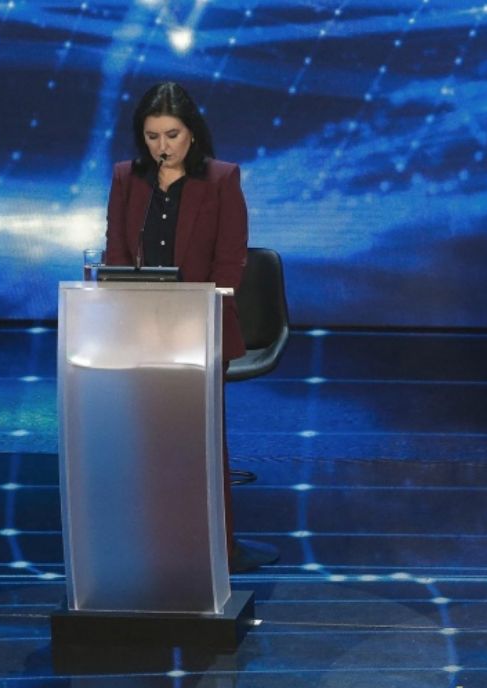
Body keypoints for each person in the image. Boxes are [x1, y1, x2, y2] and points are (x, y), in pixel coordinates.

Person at [103, 82, 271, 571]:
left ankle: (216, 548)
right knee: (144, 439)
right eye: (152, 136)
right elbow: (116, 252)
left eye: (172, 135)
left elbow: (230, 262)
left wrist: (199, 314)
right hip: (139, 329)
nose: (163, 147)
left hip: (199, 328)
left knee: (199, 443)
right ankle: (150, 541)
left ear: (192, 133)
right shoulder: (126, 178)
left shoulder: (221, 179)